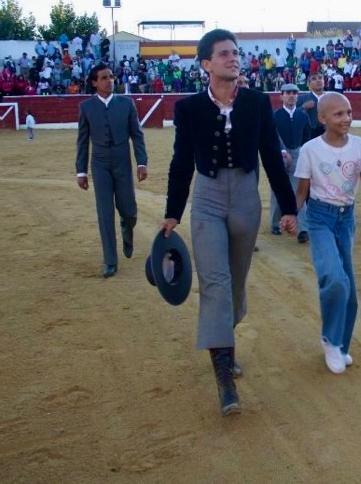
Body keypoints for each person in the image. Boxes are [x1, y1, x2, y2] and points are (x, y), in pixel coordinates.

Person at [159, 29, 298, 417]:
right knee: (216, 283)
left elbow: (271, 154)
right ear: (205, 64)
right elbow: (181, 162)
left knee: (234, 285)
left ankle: (225, 341)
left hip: (246, 200)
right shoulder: (188, 109)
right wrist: (173, 211)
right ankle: (224, 376)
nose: (233, 59)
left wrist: (288, 207)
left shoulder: (256, 102)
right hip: (207, 197)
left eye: (236, 53)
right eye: (224, 54)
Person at [294, 93, 361, 374]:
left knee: (350, 288)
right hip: (319, 218)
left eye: (348, 112)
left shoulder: (359, 146)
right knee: (334, 277)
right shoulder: (310, 149)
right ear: (322, 119)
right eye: (338, 114)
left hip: (346, 220)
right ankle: (330, 340)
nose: (346, 118)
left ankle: (341, 345)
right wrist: (289, 214)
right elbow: (302, 192)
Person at [75, 63, 148, 278]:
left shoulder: (126, 104)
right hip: (99, 164)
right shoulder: (86, 107)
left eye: (111, 77)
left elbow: (137, 135)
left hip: (122, 161)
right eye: (104, 78)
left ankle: (128, 227)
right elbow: (82, 141)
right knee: (105, 213)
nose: (110, 81)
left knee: (129, 209)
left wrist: (141, 162)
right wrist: (81, 171)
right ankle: (110, 260)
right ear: (95, 82)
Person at [270, 83, 311, 242]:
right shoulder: (275, 115)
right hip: (278, 154)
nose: (291, 95)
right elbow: (271, 137)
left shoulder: (303, 116)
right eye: (287, 93)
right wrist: (281, 151)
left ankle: (303, 228)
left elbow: (306, 138)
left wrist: (303, 153)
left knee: (298, 189)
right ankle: (275, 223)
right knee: (277, 189)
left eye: (294, 93)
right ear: (281, 96)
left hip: (298, 153)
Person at [298, 72, 327, 139]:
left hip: (328, 131)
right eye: (314, 79)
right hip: (309, 133)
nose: (318, 80)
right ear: (308, 84)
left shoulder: (331, 98)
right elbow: (294, 114)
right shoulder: (302, 98)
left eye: (320, 78)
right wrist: (303, 107)